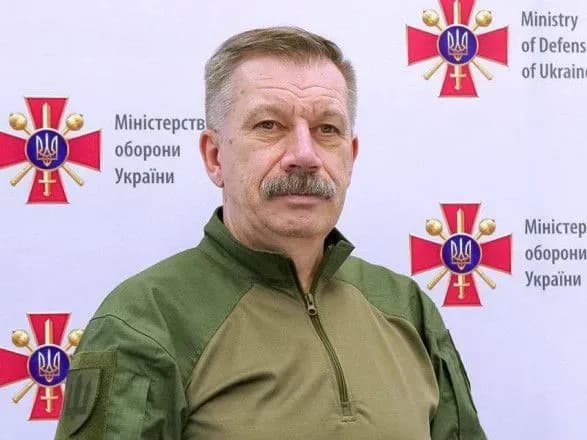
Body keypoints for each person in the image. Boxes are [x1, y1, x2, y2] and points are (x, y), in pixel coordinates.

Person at [55, 26, 486, 439]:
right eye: (269, 126)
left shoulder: (406, 308)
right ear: (214, 156)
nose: (304, 155)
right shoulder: (145, 321)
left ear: (351, 157)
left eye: (327, 129)